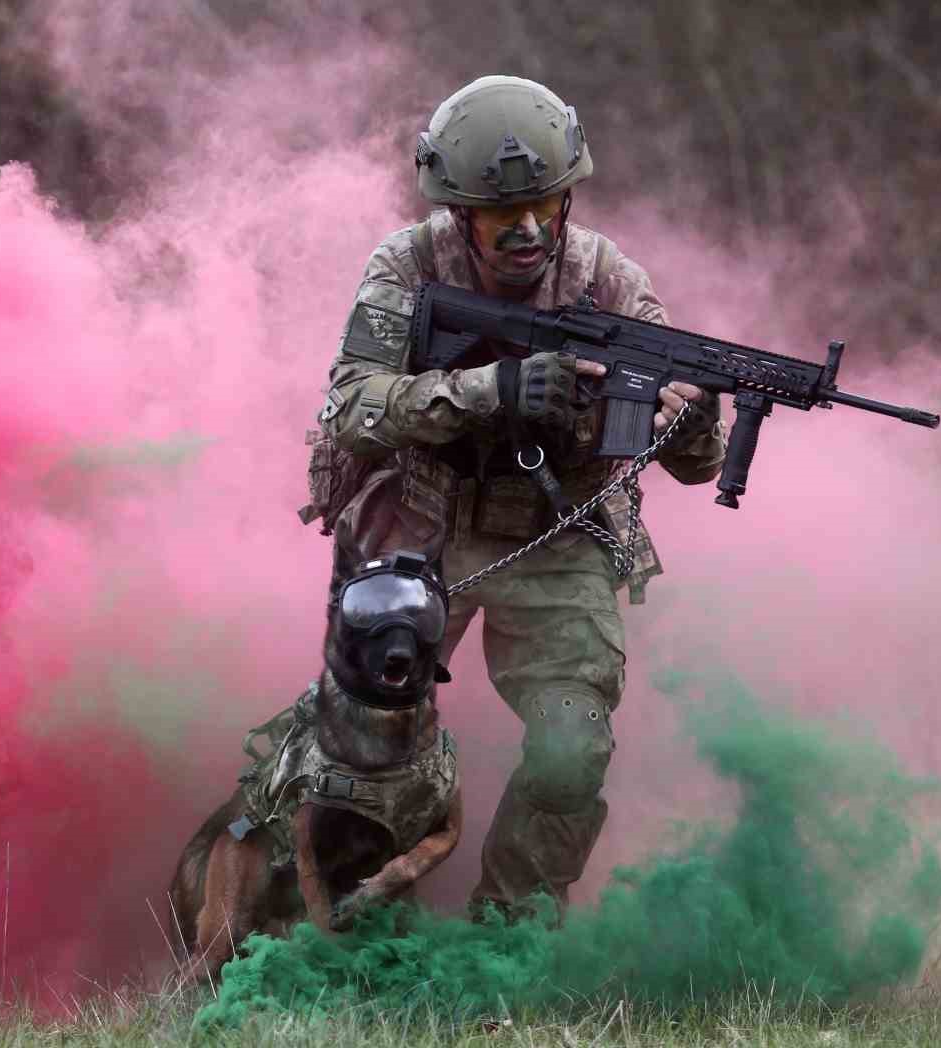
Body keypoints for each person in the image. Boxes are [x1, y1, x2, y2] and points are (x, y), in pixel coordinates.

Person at [309, 75, 727, 916]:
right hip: (423, 528)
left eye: (547, 203)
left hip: (558, 534)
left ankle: (504, 938)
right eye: (505, 214)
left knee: (572, 749)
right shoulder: (409, 265)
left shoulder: (610, 280)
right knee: (365, 750)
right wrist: (491, 391)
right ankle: (351, 926)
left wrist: (689, 415)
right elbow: (351, 408)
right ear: (461, 210)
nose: (529, 229)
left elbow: (697, 466)